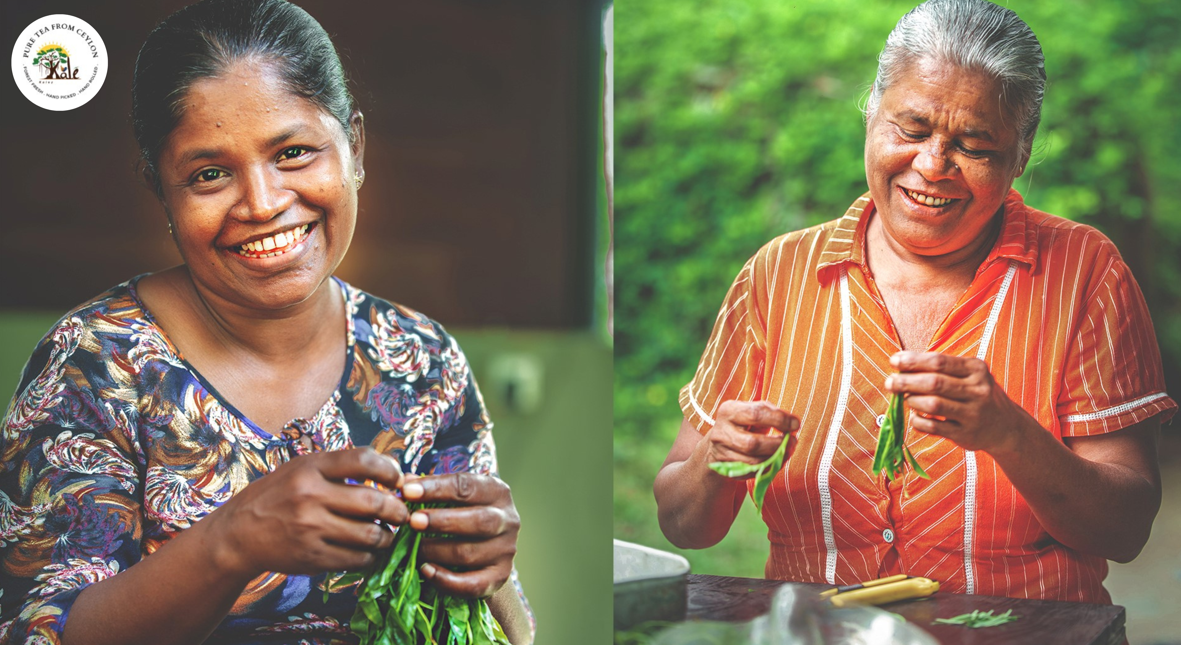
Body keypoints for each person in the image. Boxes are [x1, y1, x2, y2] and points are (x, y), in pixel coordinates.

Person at [0, 1, 534, 643]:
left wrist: (494, 573)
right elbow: (43, 632)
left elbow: (505, 631)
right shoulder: (98, 365)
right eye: (210, 174)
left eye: (295, 152)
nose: (262, 203)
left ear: (354, 149)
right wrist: (233, 540)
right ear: (161, 191)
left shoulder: (420, 359)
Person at [654, 0, 1175, 604]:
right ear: (871, 113)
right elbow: (683, 525)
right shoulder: (778, 275)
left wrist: (1010, 434)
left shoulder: (1086, 273)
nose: (932, 166)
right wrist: (717, 460)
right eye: (912, 128)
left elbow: (1127, 527)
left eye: (975, 147)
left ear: (1021, 155)